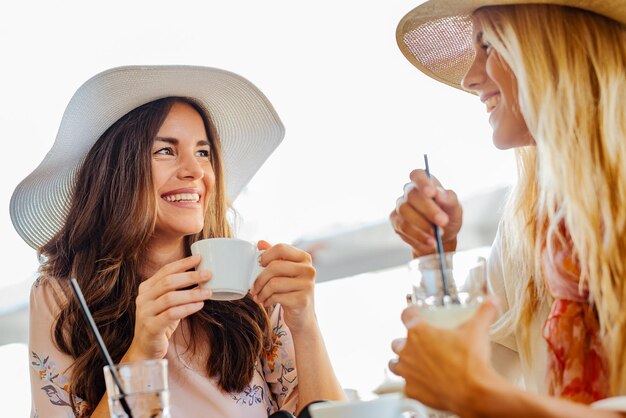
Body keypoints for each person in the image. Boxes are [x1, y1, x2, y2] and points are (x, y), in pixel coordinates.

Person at [11, 65, 345, 418]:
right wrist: (142, 350)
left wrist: (304, 322)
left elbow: (328, 413)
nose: (195, 171)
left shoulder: (253, 285)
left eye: (203, 153)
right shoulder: (63, 296)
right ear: (116, 172)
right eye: (165, 151)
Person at [388, 1, 626, 417]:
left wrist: (471, 392)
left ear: (559, 50)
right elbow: (464, 388)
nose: (469, 78)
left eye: (489, 46)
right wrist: (434, 257)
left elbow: (477, 392)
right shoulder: (531, 222)